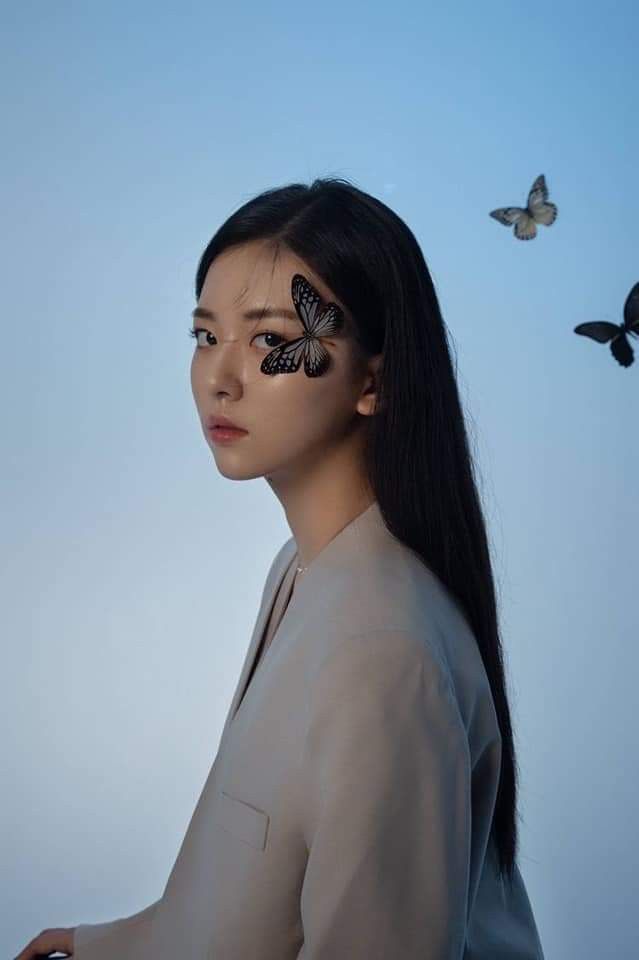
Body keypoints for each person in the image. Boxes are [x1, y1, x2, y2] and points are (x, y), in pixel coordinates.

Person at [15, 177, 545, 959]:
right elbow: (258, 888)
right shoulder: (302, 569)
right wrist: (109, 944)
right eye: (205, 336)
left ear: (373, 380)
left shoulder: (382, 653)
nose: (219, 378)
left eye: (269, 341)